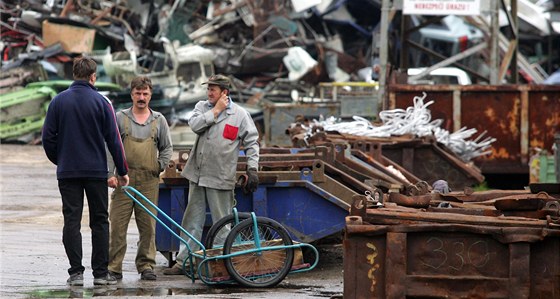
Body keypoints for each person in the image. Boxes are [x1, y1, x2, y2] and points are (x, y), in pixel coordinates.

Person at [42, 56, 129, 286]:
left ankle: (76, 273)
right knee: (100, 221)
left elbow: (47, 139)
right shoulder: (102, 103)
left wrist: (60, 160)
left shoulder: (58, 102)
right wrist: (122, 170)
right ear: (93, 77)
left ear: (74, 74)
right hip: (96, 172)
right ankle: (100, 274)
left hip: (68, 171)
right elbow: (114, 140)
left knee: (72, 220)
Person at [163, 74, 259, 275]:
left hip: (221, 176)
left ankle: (220, 265)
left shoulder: (240, 115)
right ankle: (186, 262)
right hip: (197, 174)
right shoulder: (201, 108)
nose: (208, 93)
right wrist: (216, 111)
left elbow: (252, 142)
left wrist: (252, 168)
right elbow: (195, 126)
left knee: (222, 223)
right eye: (208, 89)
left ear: (224, 93)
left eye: (213, 90)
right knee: (192, 221)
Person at [106, 76, 173, 281]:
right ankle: (114, 268)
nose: (141, 97)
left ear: (150, 95)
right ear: (131, 94)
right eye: (138, 93)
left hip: (149, 181)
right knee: (117, 225)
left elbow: (167, 148)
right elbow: (109, 147)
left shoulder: (159, 120)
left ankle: (146, 266)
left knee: (148, 226)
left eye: (145, 94)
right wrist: (110, 174)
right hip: (124, 179)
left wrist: (158, 167)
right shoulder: (120, 117)